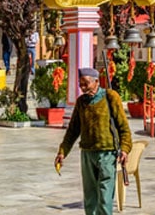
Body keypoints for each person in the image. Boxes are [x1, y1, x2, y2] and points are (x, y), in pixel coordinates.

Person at [55, 67, 132, 215]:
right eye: (80, 84)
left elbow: (123, 127)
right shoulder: (81, 102)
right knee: (90, 197)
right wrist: (62, 151)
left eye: (86, 83)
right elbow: (73, 130)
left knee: (104, 198)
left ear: (96, 82)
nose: (83, 87)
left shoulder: (110, 97)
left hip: (107, 154)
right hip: (87, 154)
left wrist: (125, 149)